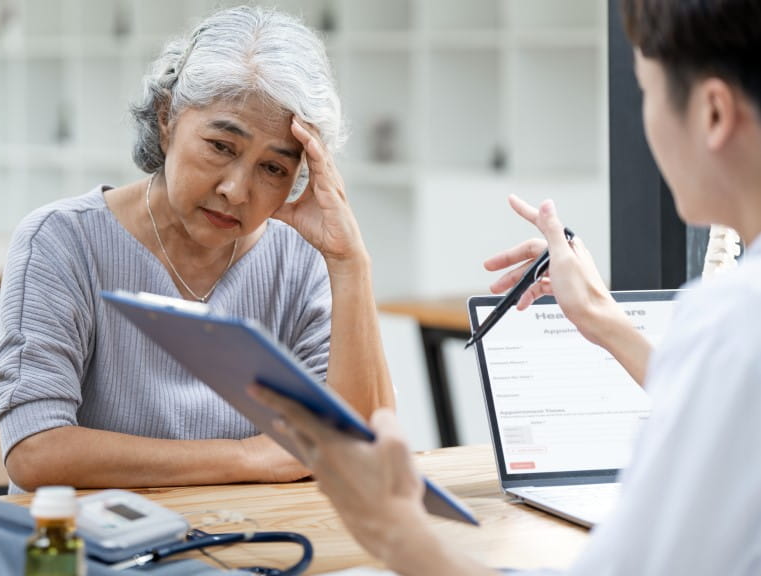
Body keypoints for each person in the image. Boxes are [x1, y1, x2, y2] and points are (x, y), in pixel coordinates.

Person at [250, 0, 761, 574]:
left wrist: (398, 535)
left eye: (646, 92)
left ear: (713, 114)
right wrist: (601, 317)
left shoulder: (732, 322)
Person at [0, 5, 394, 494]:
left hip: (254, 543)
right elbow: (34, 451)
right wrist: (250, 457)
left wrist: (350, 263)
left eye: (274, 169)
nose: (236, 190)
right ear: (167, 119)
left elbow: (363, 449)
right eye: (221, 146)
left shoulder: (298, 259)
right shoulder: (61, 240)